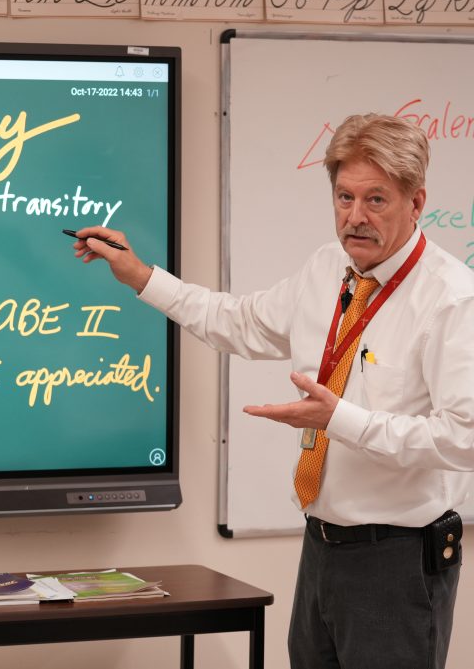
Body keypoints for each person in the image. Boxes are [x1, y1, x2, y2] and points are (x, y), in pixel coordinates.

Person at [70, 113, 474, 669]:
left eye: (376, 200)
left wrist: (343, 420)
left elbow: (464, 439)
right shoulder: (327, 269)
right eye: (344, 197)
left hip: (399, 560)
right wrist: (141, 276)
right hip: (321, 548)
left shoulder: (451, 298)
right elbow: (236, 321)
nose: (355, 217)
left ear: (416, 201)